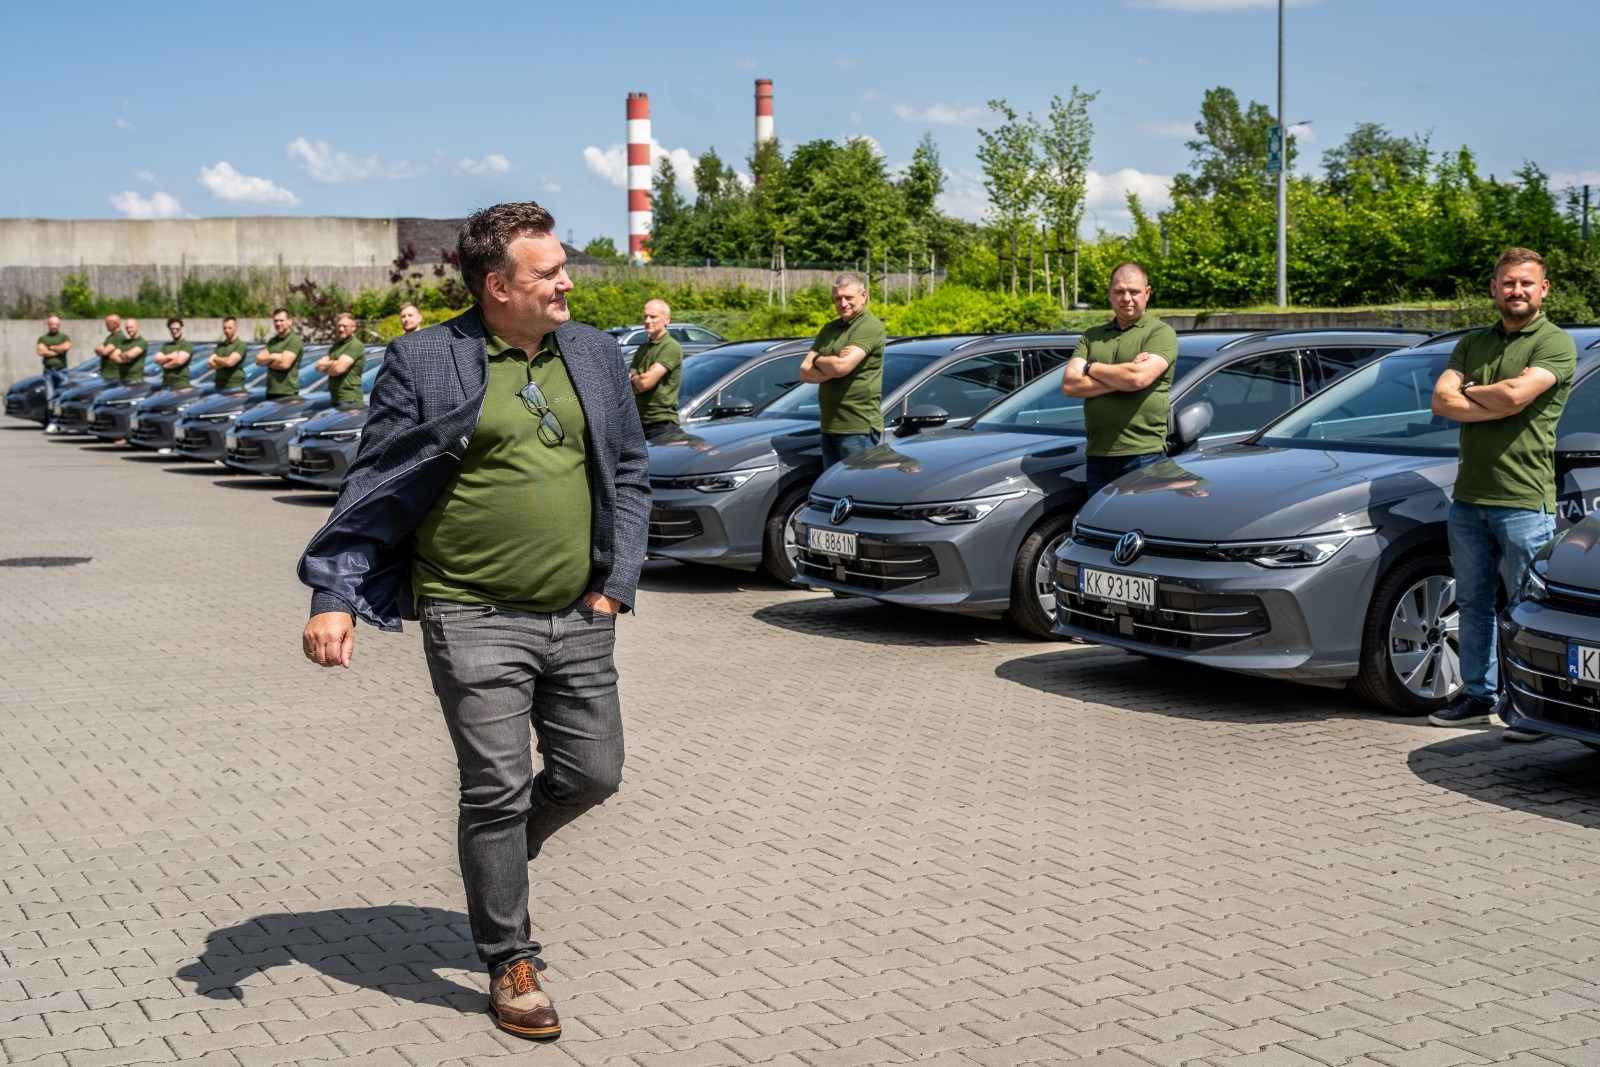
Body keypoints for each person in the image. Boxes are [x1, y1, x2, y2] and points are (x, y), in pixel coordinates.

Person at [298, 202, 649, 1042]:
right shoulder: (426, 358)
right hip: (470, 612)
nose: (567, 283)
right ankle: (510, 959)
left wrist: (614, 584)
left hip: (580, 610)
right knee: (493, 788)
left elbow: (631, 469)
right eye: (548, 272)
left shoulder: (594, 352)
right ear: (497, 286)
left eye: (563, 268)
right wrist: (333, 595)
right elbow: (375, 480)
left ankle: (498, 850)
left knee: (595, 772)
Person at [1429, 246, 1576, 740]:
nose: (1516, 290)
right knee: (1473, 604)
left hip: (1524, 499)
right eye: (1508, 282)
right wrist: (1494, 397)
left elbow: (1516, 395)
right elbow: (1440, 401)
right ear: (1494, 288)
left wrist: (1470, 391)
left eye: (1526, 283)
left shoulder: (1555, 342)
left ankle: (1535, 705)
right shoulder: (1474, 341)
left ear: (1543, 289)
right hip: (1469, 498)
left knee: (1528, 608)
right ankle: (1478, 695)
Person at [1060, 262, 1180, 497]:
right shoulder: (1092, 336)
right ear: (1109, 293)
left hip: (1143, 455)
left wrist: (1090, 367)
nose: (1126, 298)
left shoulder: (1160, 333)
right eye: (1119, 291)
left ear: (1147, 293)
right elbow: (1069, 385)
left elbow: (1138, 379)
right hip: (1097, 455)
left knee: (1139, 519)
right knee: (1099, 519)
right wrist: (1122, 377)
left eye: (1134, 291)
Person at [798, 273, 888, 467]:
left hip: (857, 427)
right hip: (829, 425)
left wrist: (817, 359)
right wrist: (832, 364)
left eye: (849, 297)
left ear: (863, 296)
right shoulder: (829, 328)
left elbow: (841, 367)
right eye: (838, 298)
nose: (843, 303)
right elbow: (804, 372)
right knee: (832, 484)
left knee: (856, 483)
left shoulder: (869, 326)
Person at [628, 298, 683, 440]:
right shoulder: (643, 348)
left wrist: (635, 377)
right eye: (645, 316)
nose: (647, 321)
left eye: (653, 316)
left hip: (662, 423)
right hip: (639, 421)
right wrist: (638, 379)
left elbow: (645, 383)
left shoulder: (670, 346)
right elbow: (629, 385)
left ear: (667, 319)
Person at [314, 312, 365, 405]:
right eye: (339, 326)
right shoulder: (336, 346)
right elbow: (318, 366)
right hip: (335, 398)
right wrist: (335, 363)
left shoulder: (355, 345)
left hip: (350, 399)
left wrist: (328, 366)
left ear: (353, 327)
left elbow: (338, 369)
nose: (341, 329)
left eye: (345, 326)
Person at [257, 308, 304, 400]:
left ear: (289, 321)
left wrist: (267, 361)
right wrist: (274, 357)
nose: (278, 323)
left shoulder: (294, 340)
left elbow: (284, 364)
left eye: (281, 320)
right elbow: (258, 360)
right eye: (276, 321)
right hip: (271, 391)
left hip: (287, 393)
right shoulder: (272, 341)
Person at [36, 315, 71, 432]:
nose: (54, 327)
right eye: (51, 324)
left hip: (62, 371)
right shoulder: (43, 338)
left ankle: (64, 423)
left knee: (63, 396)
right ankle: (52, 422)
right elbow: (40, 350)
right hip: (48, 371)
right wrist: (57, 351)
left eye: (56, 325)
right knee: (50, 397)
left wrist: (49, 348)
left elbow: (66, 347)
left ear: (59, 325)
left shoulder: (64, 337)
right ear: (48, 325)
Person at [208, 317, 249, 391]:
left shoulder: (240, 345)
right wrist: (224, 362)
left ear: (236, 328)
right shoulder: (220, 346)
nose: (226, 331)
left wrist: (216, 359)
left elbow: (229, 362)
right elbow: (210, 364)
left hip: (234, 386)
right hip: (219, 386)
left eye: (230, 328)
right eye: (224, 328)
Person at [153, 318, 194, 390]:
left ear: (182, 329)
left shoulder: (186, 345)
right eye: (172, 329)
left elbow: (179, 361)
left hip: (181, 385)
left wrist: (165, 365)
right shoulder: (166, 346)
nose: (174, 331)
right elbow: (156, 359)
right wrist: (171, 356)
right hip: (166, 384)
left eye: (177, 329)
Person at [111, 318, 148, 384]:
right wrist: (126, 358)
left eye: (131, 327)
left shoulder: (141, 342)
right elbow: (113, 356)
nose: (129, 330)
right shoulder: (124, 342)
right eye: (127, 328)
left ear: (137, 327)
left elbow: (130, 355)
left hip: (135, 380)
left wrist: (121, 355)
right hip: (122, 379)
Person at [93, 313, 125, 382]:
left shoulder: (118, 337)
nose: (106, 326)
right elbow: (97, 349)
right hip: (106, 374)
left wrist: (102, 350)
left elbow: (104, 352)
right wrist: (100, 350)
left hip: (113, 375)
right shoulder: (110, 337)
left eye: (108, 324)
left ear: (114, 324)